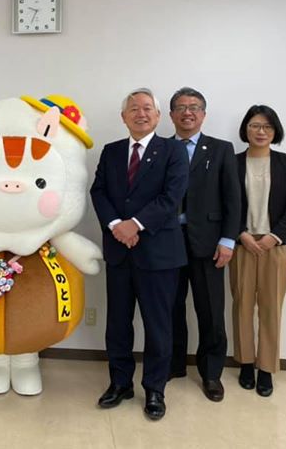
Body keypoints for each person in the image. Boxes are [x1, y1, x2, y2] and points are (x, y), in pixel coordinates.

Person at [90, 88, 189, 420]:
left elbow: (172, 196)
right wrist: (116, 225)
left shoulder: (173, 150)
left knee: (158, 325)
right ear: (124, 117)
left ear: (158, 116)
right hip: (119, 252)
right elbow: (98, 191)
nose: (141, 113)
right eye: (133, 108)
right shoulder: (111, 151)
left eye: (147, 108)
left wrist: (135, 224)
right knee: (118, 323)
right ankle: (120, 384)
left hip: (159, 254)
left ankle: (155, 389)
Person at [168, 87, 240, 402]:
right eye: (181, 107)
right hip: (168, 241)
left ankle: (211, 373)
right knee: (170, 308)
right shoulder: (161, 148)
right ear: (171, 115)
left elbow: (233, 198)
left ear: (203, 114)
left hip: (210, 242)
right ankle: (174, 364)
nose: (188, 112)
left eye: (194, 107)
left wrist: (228, 239)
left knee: (210, 310)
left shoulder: (221, 149)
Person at [230, 105, 286, 397]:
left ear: (275, 131)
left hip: (276, 245)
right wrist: (241, 234)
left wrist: (274, 237)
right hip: (242, 243)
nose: (261, 131)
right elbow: (224, 203)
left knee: (271, 307)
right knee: (242, 305)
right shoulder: (232, 162)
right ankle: (246, 363)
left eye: (267, 126)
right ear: (245, 129)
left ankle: (266, 368)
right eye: (255, 125)